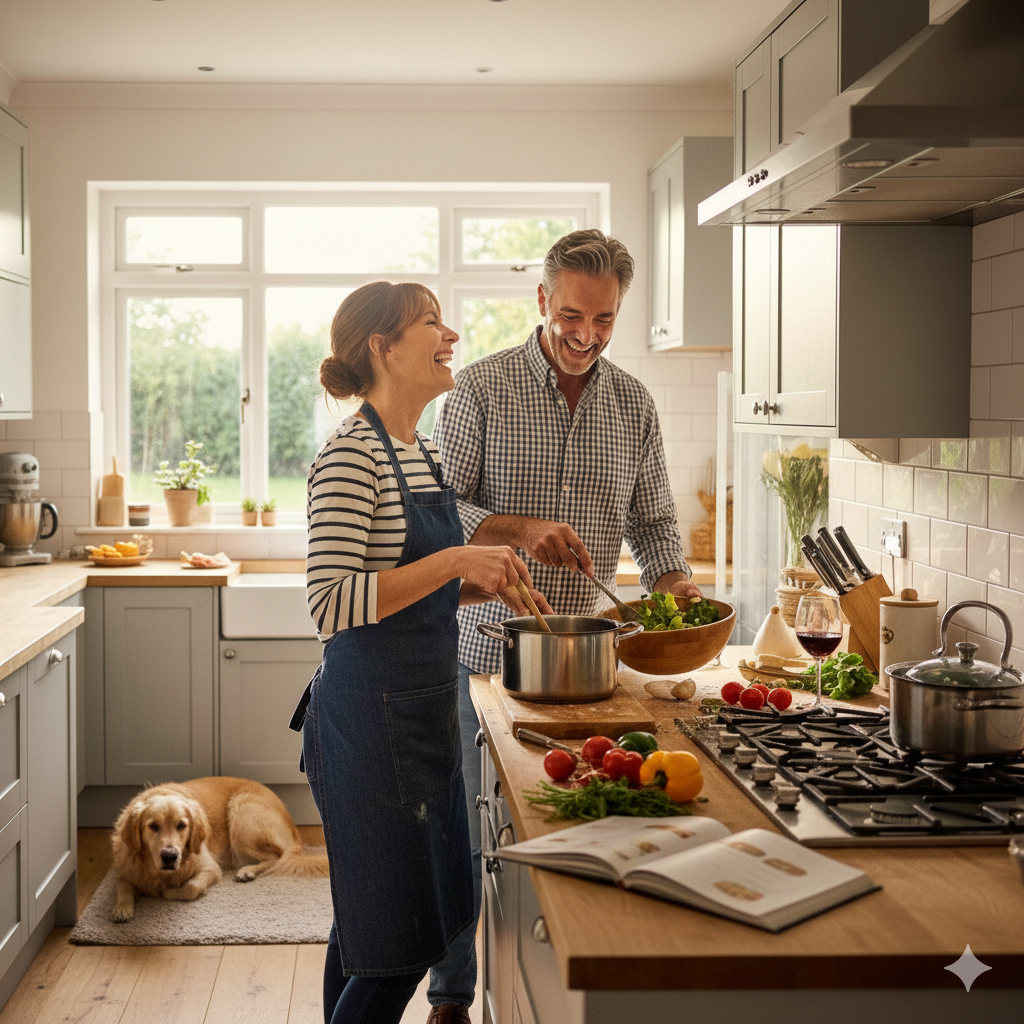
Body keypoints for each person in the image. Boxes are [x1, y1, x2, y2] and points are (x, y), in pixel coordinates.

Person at [429, 228, 702, 1016]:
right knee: (463, 826)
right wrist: (520, 528)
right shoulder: (478, 389)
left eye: (606, 319)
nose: (587, 335)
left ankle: (547, 980)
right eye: (573, 315)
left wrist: (675, 592)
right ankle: (452, 993)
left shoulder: (633, 403)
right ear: (542, 299)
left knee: (564, 825)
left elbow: (654, 527)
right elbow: (441, 518)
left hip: (590, 662)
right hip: (483, 652)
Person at [290, 281, 542, 1024]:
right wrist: (459, 561)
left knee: (369, 934)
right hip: (368, 728)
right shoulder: (350, 456)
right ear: (383, 347)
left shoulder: (420, 451)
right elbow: (331, 603)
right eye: (430, 322)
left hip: (421, 718)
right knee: (395, 950)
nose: (451, 333)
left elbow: (409, 594)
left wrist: (479, 584)